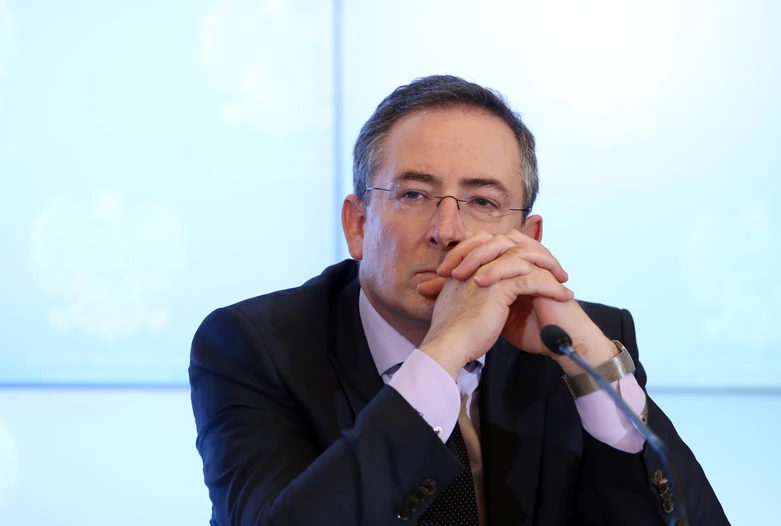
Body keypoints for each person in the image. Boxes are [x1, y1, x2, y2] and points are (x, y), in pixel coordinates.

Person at [189, 75, 728, 526]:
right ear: (357, 225)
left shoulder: (570, 344)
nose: (448, 230)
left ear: (529, 239)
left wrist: (591, 362)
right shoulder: (254, 347)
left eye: (483, 202)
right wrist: (442, 354)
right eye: (414, 195)